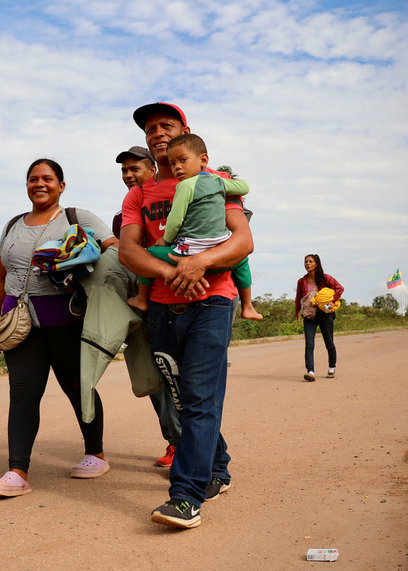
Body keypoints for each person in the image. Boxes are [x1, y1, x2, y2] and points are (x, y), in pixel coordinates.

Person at [119, 102, 252, 530]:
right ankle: (219, 466)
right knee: (183, 395)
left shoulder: (214, 182)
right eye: (151, 128)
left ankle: (186, 497)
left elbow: (242, 240)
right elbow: (129, 251)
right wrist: (175, 270)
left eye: (166, 125)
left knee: (197, 397)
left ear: (185, 132)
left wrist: (202, 263)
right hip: (161, 306)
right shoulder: (138, 194)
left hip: (213, 301)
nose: (158, 132)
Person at [0, 158, 118, 498]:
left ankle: (95, 454)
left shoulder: (77, 217)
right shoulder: (13, 224)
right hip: (19, 322)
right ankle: (17, 471)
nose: (39, 184)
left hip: (66, 320)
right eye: (33, 179)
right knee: (23, 394)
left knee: (78, 387)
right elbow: (2, 276)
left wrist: (82, 259)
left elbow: (113, 249)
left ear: (61, 185)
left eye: (47, 178)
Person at [127, 134, 262, 322]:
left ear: (203, 159)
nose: (177, 167)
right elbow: (243, 187)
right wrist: (220, 182)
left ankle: (141, 298)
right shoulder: (217, 181)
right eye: (173, 163)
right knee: (241, 262)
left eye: (182, 160)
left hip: (188, 252)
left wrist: (165, 240)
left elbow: (175, 220)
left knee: (150, 253)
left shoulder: (184, 186)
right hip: (218, 250)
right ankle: (247, 306)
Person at [113, 146, 182, 469]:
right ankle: (174, 442)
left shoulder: (177, 196)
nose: (128, 175)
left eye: (134, 169)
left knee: (185, 379)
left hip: (184, 297)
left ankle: (195, 447)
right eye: (124, 171)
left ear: (152, 169)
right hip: (146, 304)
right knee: (155, 377)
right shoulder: (124, 213)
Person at [295, 254, 344, 381]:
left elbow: (339, 288)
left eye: (310, 261)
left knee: (329, 342)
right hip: (309, 315)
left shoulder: (325, 278)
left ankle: (332, 367)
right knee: (309, 344)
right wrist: (296, 311)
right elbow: (299, 297)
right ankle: (310, 371)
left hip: (324, 313)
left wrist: (333, 301)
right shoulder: (301, 281)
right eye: (306, 262)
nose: (307, 264)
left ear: (316, 264)